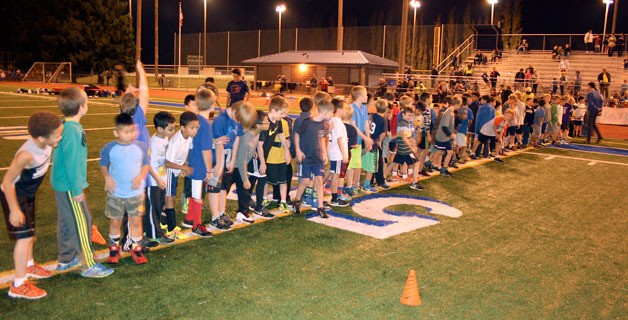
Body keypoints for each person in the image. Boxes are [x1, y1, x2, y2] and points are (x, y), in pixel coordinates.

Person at [52, 88, 114, 278]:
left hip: (62, 184)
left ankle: (66, 258)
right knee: (82, 221)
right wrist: (76, 188)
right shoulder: (72, 130)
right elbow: (71, 162)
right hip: (70, 186)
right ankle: (88, 264)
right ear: (81, 107)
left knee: (65, 220)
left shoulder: (66, 126)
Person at [2, 112, 62, 299]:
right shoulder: (26, 155)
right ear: (41, 138)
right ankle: (18, 285)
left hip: (28, 196)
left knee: (30, 236)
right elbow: (7, 182)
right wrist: (13, 208)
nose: (60, 137)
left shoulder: (47, 141)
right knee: (24, 238)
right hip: (14, 195)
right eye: (58, 135)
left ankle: (29, 265)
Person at [99, 113, 150, 265]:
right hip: (116, 193)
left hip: (135, 192)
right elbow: (103, 164)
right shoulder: (109, 148)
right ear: (116, 132)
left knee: (135, 221)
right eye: (126, 132)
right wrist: (107, 178)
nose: (130, 135)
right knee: (116, 221)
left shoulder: (141, 146)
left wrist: (141, 176)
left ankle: (136, 249)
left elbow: (145, 164)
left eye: (132, 131)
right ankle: (114, 249)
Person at [181, 89, 217, 237]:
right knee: (197, 196)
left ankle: (189, 218)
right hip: (199, 165)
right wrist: (209, 170)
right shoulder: (205, 124)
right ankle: (197, 225)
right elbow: (206, 150)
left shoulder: (195, 120)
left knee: (194, 194)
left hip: (193, 162)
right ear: (212, 105)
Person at [293, 99, 334, 218]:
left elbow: (322, 138)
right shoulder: (307, 122)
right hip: (306, 156)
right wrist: (298, 150)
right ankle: (297, 200)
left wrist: (324, 153)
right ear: (325, 113)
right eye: (330, 113)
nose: (331, 116)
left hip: (317, 158)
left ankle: (320, 207)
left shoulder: (324, 125)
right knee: (305, 181)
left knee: (319, 181)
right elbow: (297, 134)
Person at [163, 111, 198, 239]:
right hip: (168, 172)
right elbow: (167, 162)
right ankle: (171, 229)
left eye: (196, 127)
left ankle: (162, 223)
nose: (194, 130)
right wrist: (183, 167)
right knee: (169, 199)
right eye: (192, 127)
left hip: (175, 171)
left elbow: (185, 152)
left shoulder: (188, 137)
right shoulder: (176, 141)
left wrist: (185, 163)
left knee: (168, 199)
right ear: (183, 127)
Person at [144, 111, 176, 245]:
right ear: (160, 129)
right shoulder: (154, 143)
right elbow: (148, 164)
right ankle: (154, 234)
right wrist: (157, 180)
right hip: (153, 181)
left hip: (161, 179)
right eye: (170, 129)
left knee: (158, 206)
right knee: (153, 207)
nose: (173, 131)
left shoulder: (165, 138)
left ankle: (153, 229)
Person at [260, 96, 292, 212]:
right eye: (282, 113)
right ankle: (262, 199)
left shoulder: (280, 122)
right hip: (266, 156)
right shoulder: (265, 122)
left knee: (282, 180)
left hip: (277, 156)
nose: (284, 116)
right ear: (273, 111)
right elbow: (259, 143)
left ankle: (282, 201)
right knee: (264, 180)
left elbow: (282, 136)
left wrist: (287, 151)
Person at [363, 99, 389, 191]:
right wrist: (380, 142)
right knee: (376, 164)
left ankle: (371, 180)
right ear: (386, 109)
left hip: (367, 140)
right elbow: (382, 134)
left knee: (369, 162)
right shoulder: (384, 120)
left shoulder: (371, 116)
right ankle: (378, 181)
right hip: (375, 143)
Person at [327, 99, 349, 207]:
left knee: (331, 171)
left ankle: (315, 190)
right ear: (339, 110)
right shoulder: (338, 123)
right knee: (335, 175)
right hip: (337, 153)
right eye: (345, 108)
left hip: (333, 151)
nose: (346, 111)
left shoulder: (333, 120)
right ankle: (334, 198)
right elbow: (340, 139)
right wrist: (344, 154)